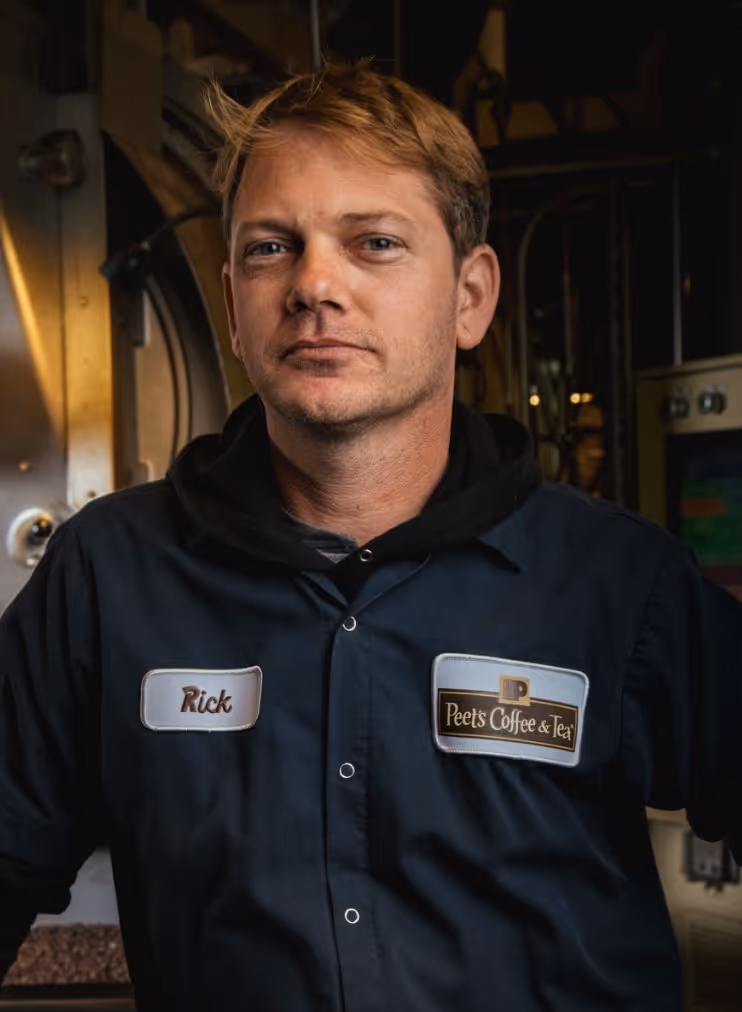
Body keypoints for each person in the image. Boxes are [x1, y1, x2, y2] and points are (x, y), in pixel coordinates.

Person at [0, 61, 739, 1012]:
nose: (314, 283)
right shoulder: (107, 577)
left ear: (471, 298)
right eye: (272, 247)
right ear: (231, 303)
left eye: (375, 242)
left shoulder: (617, 583)